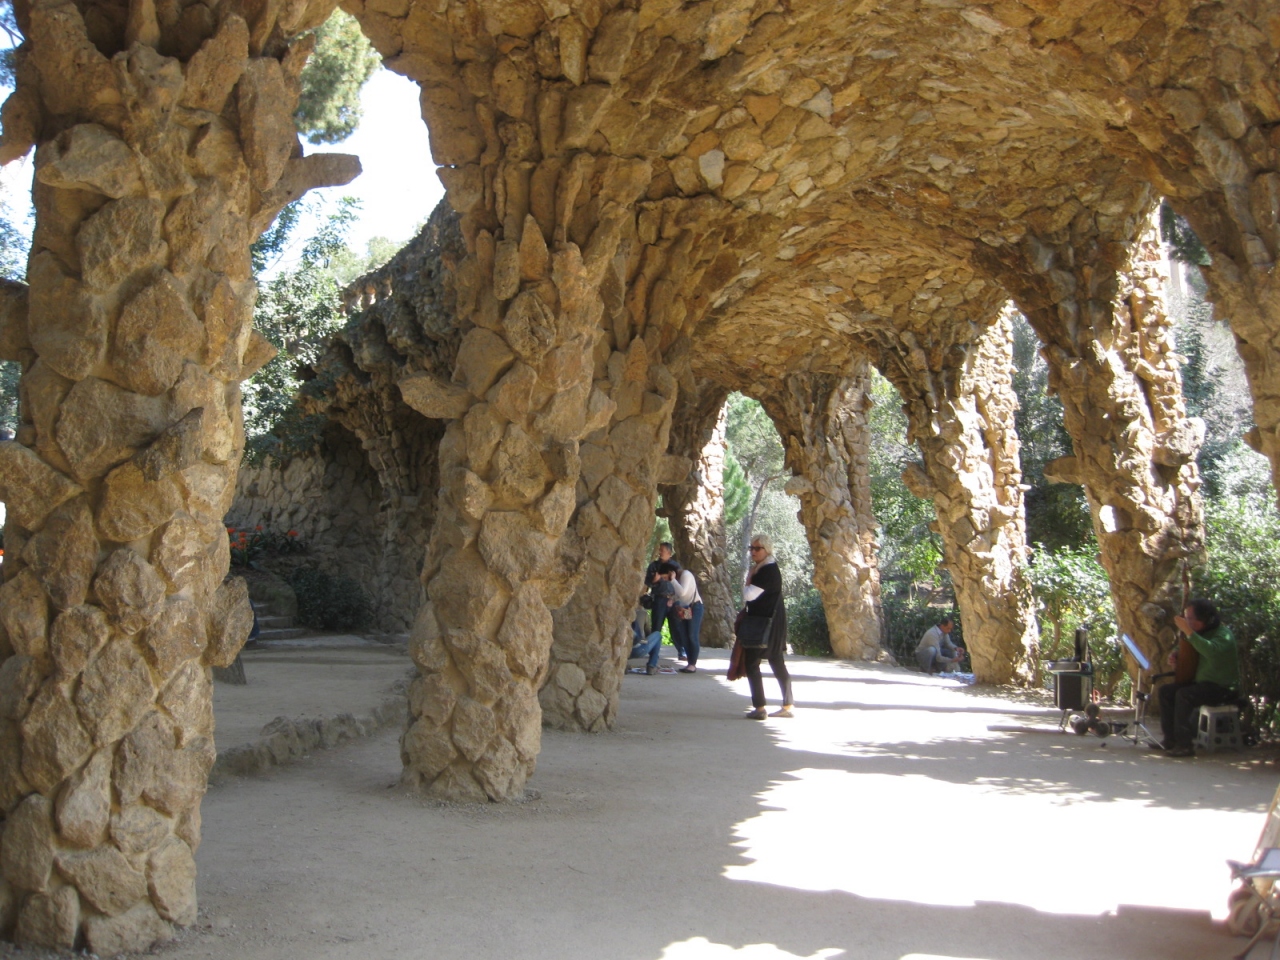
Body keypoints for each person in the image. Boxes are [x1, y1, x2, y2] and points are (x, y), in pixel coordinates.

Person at [1159, 598, 1239, 757]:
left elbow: (1211, 651)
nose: (1187, 622)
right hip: (1201, 684)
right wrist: (1175, 655)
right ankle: (1170, 740)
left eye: (1190, 619)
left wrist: (1189, 632)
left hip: (1221, 688)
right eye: (1185, 618)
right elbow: (1185, 647)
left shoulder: (1223, 635)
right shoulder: (1198, 634)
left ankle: (1185, 745)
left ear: (1205, 619)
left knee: (1184, 695)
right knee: (1166, 691)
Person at [742, 536, 793, 719]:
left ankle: (760, 708)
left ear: (767, 550)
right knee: (776, 661)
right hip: (773, 624)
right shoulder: (767, 568)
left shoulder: (766, 571)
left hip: (763, 625)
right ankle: (787, 704)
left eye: (758, 548)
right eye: (751, 548)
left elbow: (749, 595)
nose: (753, 552)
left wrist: (748, 579)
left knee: (752, 663)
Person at [659, 561, 703, 673]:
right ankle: (689, 663)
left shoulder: (686, 575)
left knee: (692, 635)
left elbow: (683, 592)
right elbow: (680, 595)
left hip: (695, 607)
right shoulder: (676, 580)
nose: (665, 580)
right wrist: (672, 599)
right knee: (684, 635)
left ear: (670, 573)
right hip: (685, 609)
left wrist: (673, 580)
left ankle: (693, 664)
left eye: (665, 577)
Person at [645, 543, 683, 658]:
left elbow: (681, 582)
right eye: (659, 550)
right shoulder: (653, 566)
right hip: (659, 599)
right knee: (656, 627)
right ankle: (653, 654)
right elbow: (648, 582)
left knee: (676, 627)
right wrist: (655, 580)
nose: (660, 552)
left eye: (662, 550)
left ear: (669, 553)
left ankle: (682, 651)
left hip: (673, 599)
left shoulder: (676, 566)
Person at [629, 598, 662, 675]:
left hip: (623, 651)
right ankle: (652, 665)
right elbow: (648, 633)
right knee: (658, 635)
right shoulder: (642, 613)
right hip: (637, 649)